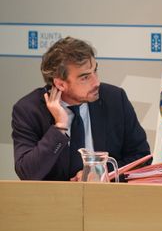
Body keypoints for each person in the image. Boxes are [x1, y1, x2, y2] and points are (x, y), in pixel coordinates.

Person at [12, 37, 150, 181]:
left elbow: (142, 158)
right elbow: (28, 173)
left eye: (95, 71)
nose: (96, 82)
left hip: (107, 199)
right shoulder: (29, 110)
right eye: (85, 77)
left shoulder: (115, 99)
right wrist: (59, 128)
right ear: (60, 84)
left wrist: (102, 173)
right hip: (54, 201)